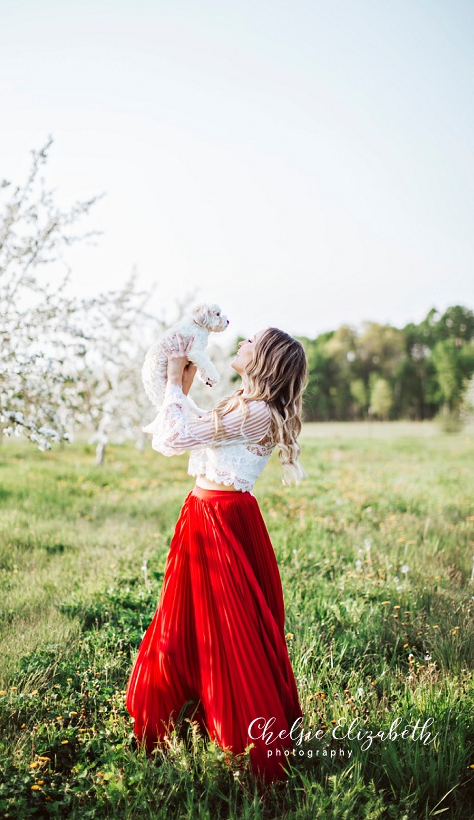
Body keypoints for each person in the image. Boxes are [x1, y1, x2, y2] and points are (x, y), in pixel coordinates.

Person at [126, 328, 307, 786]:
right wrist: (177, 386)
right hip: (204, 513)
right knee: (187, 618)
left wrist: (174, 380)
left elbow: (179, 434)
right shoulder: (242, 403)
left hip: (223, 520)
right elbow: (178, 436)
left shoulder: (256, 411)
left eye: (250, 341)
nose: (241, 343)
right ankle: (186, 710)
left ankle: (246, 742)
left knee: (229, 629)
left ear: (264, 358)